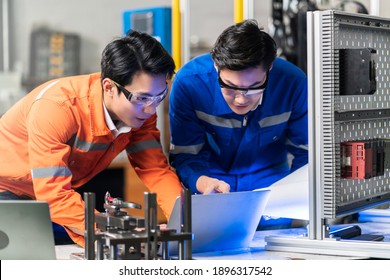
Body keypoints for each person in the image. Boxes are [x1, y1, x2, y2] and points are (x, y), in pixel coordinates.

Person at [0, 30, 182, 247]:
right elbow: (54, 196)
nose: (151, 109)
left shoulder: (140, 114)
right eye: (141, 98)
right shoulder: (57, 109)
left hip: (52, 198)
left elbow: (155, 170)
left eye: (159, 95)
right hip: (8, 193)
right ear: (109, 87)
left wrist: (182, 222)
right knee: (29, 254)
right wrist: (122, 231)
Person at [169, 19, 308, 196]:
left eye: (255, 86)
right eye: (230, 86)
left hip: (273, 186)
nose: (241, 99)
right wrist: (202, 182)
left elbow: (305, 154)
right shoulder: (189, 84)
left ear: (270, 68)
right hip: (212, 184)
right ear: (216, 66)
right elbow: (186, 154)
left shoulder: (293, 83)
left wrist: (294, 197)